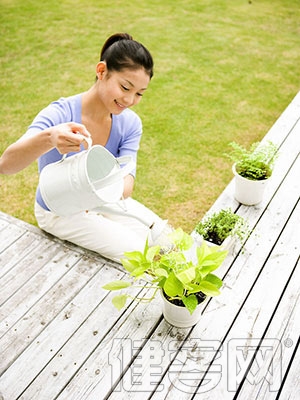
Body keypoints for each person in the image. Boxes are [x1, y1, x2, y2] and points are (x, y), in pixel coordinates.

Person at [0, 32, 170, 262]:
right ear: (101, 72)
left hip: (106, 200)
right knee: (142, 256)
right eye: (125, 87)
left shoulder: (130, 124)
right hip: (59, 210)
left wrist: (97, 196)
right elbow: (6, 165)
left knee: (168, 243)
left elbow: (126, 183)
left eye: (139, 93)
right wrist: (50, 137)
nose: (130, 100)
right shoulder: (60, 114)